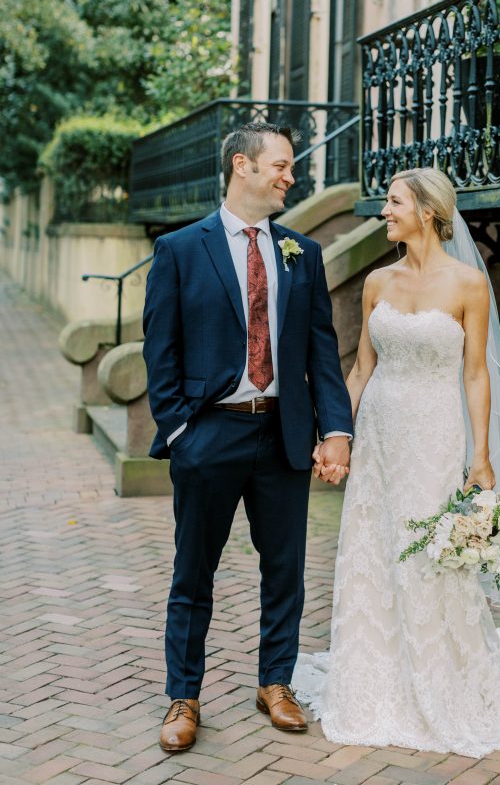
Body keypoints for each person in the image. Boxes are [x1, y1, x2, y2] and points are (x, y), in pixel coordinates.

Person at [294, 167, 500, 756]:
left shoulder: (467, 286)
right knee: (374, 544)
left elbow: (476, 374)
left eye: (394, 203)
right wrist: (336, 435)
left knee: (427, 552)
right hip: (378, 431)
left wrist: (480, 458)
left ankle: (436, 675)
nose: (384, 212)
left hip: (433, 433)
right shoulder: (377, 281)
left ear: (427, 210)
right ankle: (373, 672)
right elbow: (360, 370)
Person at [143, 122, 353, 753]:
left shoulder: (302, 252)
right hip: (210, 435)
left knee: (285, 569)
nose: (291, 176)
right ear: (243, 166)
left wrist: (335, 430)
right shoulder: (181, 249)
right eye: (281, 166)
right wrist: (182, 431)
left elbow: (323, 349)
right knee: (193, 572)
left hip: (284, 434)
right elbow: (161, 349)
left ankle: (275, 683)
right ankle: (184, 695)